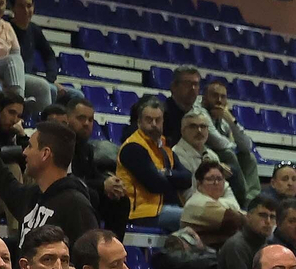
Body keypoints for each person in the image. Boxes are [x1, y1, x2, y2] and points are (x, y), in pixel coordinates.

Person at [0, 113, 99, 254]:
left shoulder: (76, 205)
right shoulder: (32, 195)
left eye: (30, 146)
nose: (25, 152)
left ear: (45, 154)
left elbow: (89, 258)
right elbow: (3, 180)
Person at [118, 97, 190, 230]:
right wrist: (174, 178)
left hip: (165, 208)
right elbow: (155, 184)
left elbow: (187, 178)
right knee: (195, 218)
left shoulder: (164, 147)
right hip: (142, 212)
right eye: (149, 120)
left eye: (158, 120)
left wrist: (165, 173)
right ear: (139, 122)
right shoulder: (133, 147)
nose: (154, 124)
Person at [63, 95, 131, 234]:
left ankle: (112, 247)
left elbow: (91, 176)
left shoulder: (86, 148)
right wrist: (102, 185)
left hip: (84, 192)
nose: (87, 123)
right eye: (81, 118)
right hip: (65, 194)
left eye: (90, 119)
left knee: (120, 199)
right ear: (67, 119)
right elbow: (68, 179)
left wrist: (111, 182)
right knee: (91, 195)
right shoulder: (61, 144)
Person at [201, 77, 257, 204]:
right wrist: (232, 143)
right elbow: (218, 142)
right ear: (204, 98)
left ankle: (254, 199)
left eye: (223, 97)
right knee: (229, 153)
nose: (219, 100)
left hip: (221, 156)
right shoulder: (201, 113)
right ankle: (244, 200)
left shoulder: (223, 117)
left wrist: (231, 120)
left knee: (249, 157)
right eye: (215, 96)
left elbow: (246, 146)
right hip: (204, 156)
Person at [214, 194, 277, 269]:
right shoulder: (236, 246)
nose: (268, 221)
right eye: (263, 215)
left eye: (272, 217)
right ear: (248, 216)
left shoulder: (266, 246)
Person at [180, 160, 244, 248]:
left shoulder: (217, 201)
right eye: (210, 179)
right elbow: (236, 220)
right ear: (199, 183)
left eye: (219, 179)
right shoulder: (200, 202)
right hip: (204, 255)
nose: (216, 183)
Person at [8, 0, 60, 88]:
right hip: (14, 78)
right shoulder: (6, 28)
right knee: (51, 90)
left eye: (29, 6)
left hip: (31, 77)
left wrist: (50, 78)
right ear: (12, 8)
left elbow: (49, 55)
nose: (26, 11)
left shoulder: (34, 29)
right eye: (21, 6)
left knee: (76, 94)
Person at [171, 106, 222, 178]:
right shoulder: (176, 155)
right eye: (193, 126)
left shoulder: (212, 156)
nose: (199, 130)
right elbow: (191, 188)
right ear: (182, 131)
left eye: (203, 126)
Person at [161, 66, 201, 145]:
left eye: (195, 84)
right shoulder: (162, 114)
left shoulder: (200, 114)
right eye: (187, 84)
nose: (193, 88)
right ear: (173, 87)